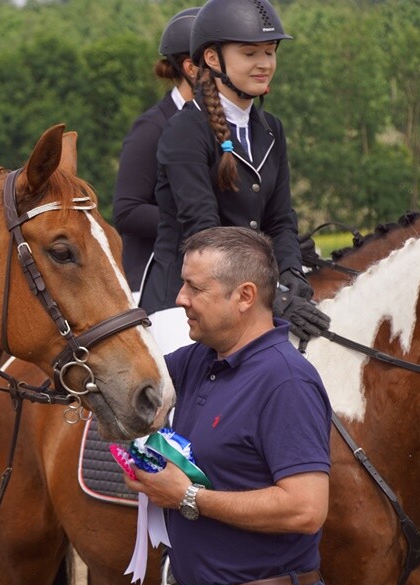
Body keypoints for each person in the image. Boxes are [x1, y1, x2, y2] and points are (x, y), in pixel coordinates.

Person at [125, 226, 332, 585]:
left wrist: (187, 497)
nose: (179, 297)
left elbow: (306, 509)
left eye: (195, 288)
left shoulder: (286, 381)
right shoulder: (204, 358)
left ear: (244, 296)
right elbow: (131, 388)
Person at [136, 0, 328, 353]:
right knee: (178, 407)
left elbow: (281, 219)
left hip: (246, 296)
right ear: (212, 59)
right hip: (186, 302)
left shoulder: (271, 130)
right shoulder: (184, 131)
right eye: (250, 53)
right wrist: (271, 297)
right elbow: (205, 234)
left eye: (270, 52)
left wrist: (291, 275)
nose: (264, 64)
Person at [112, 6, 199, 296]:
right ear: (191, 67)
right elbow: (127, 211)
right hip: (153, 283)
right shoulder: (152, 128)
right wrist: (203, 226)